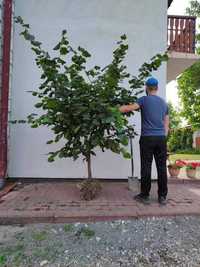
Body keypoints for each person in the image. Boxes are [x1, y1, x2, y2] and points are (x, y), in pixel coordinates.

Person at [119, 77, 169, 205]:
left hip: (147, 138)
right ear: (157, 88)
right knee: (162, 167)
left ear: (146, 87)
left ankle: (145, 195)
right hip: (161, 138)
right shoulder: (164, 103)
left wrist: (114, 109)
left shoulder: (143, 99)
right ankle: (162, 197)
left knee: (146, 166)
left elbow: (129, 108)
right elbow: (166, 125)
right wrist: (163, 137)